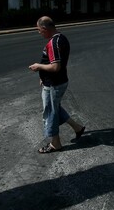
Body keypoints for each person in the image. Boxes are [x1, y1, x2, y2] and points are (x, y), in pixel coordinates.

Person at [29, 16, 85, 153]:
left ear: (44, 28)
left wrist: (39, 67)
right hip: (57, 81)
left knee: (50, 113)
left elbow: (55, 67)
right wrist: (44, 76)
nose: (39, 32)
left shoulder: (53, 43)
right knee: (55, 109)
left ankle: (55, 144)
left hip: (54, 84)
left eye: (39, 30)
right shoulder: (61, 37)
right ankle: (77, 128)